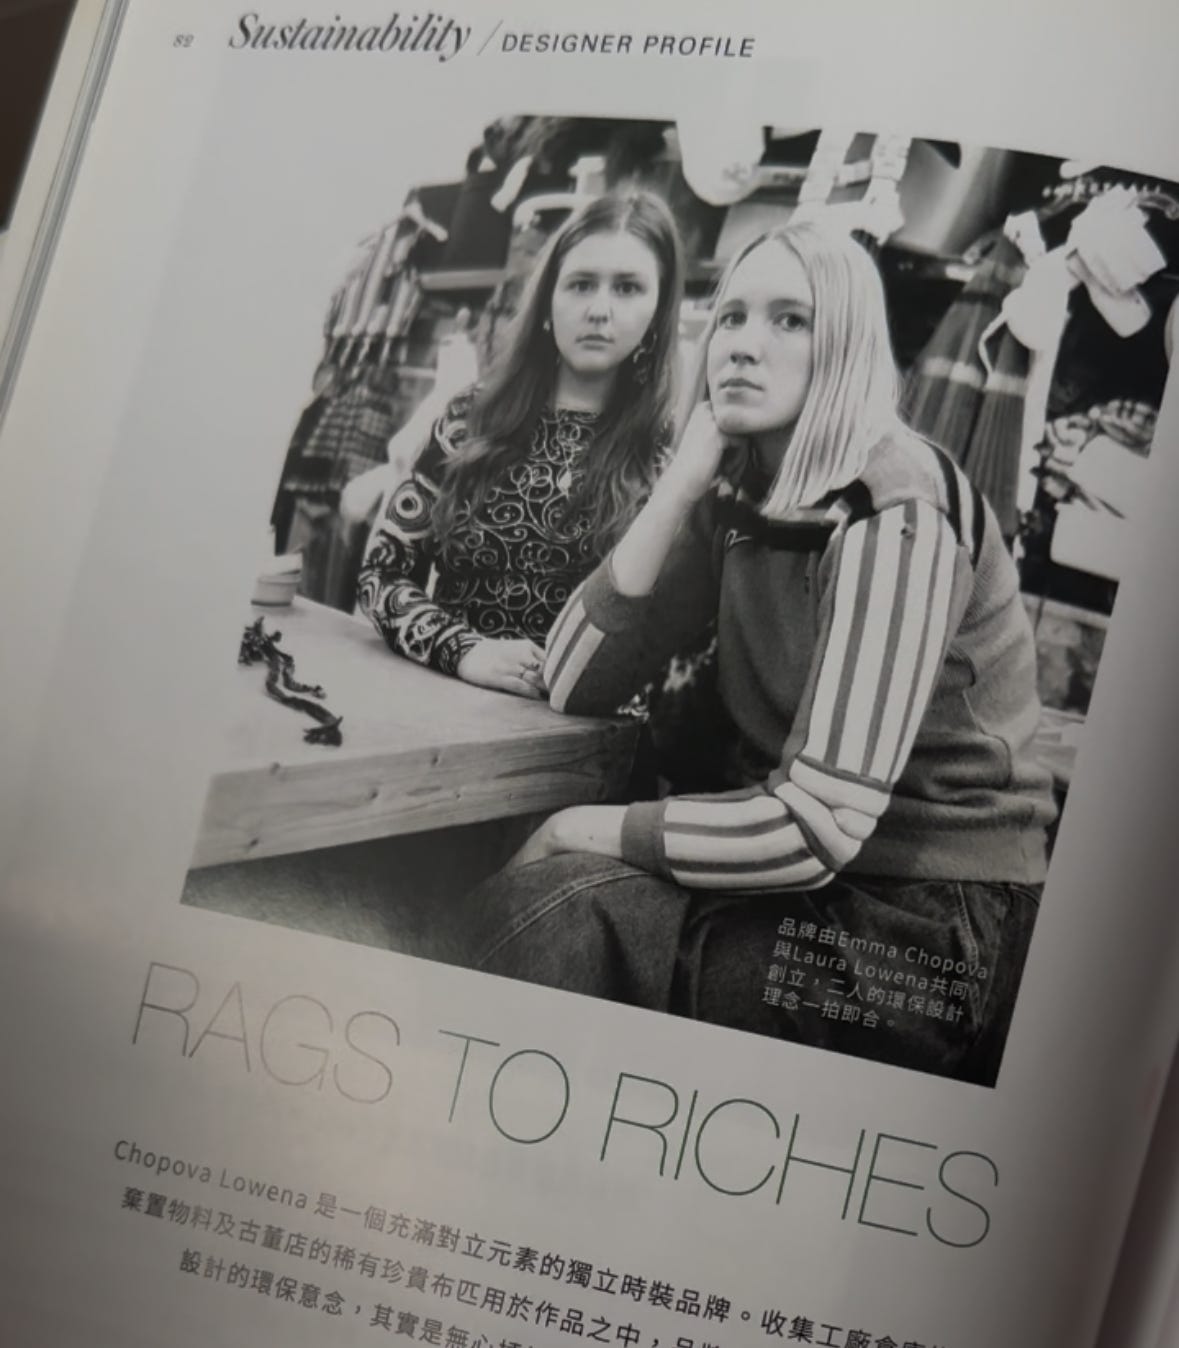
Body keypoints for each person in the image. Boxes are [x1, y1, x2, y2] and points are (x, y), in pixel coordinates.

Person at [457, 221, 1058, 1084]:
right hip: (805, 881)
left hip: (930, 934)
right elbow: (572, 678)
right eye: (730, 317)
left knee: (557, 914)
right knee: (548, 915)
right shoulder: (743, 491)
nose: (741, 344)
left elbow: (817, 825)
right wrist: (676, 488)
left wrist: (571, 829)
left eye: (789, 320)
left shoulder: (896, 512)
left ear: (844, 345)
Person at [356, 189, 683, 700]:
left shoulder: (668, 460)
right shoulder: (471, 418)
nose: (600, 310)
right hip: (445, 706)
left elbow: (660, 644)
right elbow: (380, 576)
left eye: (627, 288)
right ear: (549, 300)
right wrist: (464, 650)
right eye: (581, 284)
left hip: (582, 734)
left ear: (658, 311)